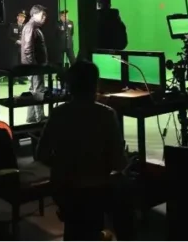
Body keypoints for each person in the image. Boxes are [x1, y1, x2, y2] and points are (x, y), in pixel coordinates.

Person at [37, 61, 133, 240]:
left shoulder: (58, 114)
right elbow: (119, 163)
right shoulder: (106, 114)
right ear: (95, 85)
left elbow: (41, 154)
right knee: (127, 189)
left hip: (64, 192)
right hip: (96, 191)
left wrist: (65, 167)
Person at [21, 5, 48, 123]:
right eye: (42, 15)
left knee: (33, 90)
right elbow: (27, 49)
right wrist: (34, 66)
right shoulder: (31, 27)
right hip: (35, 66)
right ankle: (40, 118)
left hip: (33, 66)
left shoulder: (32, 27)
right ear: (35, 14)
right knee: (38, 91)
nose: (45, 17)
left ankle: (31, 117)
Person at [8, 10, 26, 84]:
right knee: (14, 64)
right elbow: (9, 36)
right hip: (14, 48)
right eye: (20, 17)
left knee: (22, 64)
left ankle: (21, 79)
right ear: (17, 17)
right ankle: (13, 79)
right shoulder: (12, 26)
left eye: (23, 17)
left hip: (22, 48)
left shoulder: (25, 27)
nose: (22, 19)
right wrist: (16, 41)